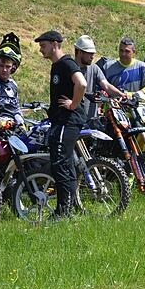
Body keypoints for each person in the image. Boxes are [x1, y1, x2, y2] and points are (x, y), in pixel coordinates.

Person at [36, 30, 87, 218]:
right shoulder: (56, 66)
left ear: (55, 44)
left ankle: (62, 211)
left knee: (60, 165)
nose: (41, 50)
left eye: (43, 45)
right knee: (66, 165)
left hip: (67, 121)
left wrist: (73, 104)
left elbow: (81, 84)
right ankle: (69, 209)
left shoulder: (66, 63)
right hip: (61, 121)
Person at [72, 35, 124, 121]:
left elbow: (106, 86)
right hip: (73, 118)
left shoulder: (94, 68)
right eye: (90, 53)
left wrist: (120, 94)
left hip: (91, 119)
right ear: (80, 52)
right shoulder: (70, 68)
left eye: (93, 53)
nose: (92, 56)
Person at [0, 33, 23, 125]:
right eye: (1, 66)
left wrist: (18, 115)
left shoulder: (13, 84)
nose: (4, 70)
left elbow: (15, 106)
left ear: (13, 68)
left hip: (12, 126)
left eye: (8, 66)